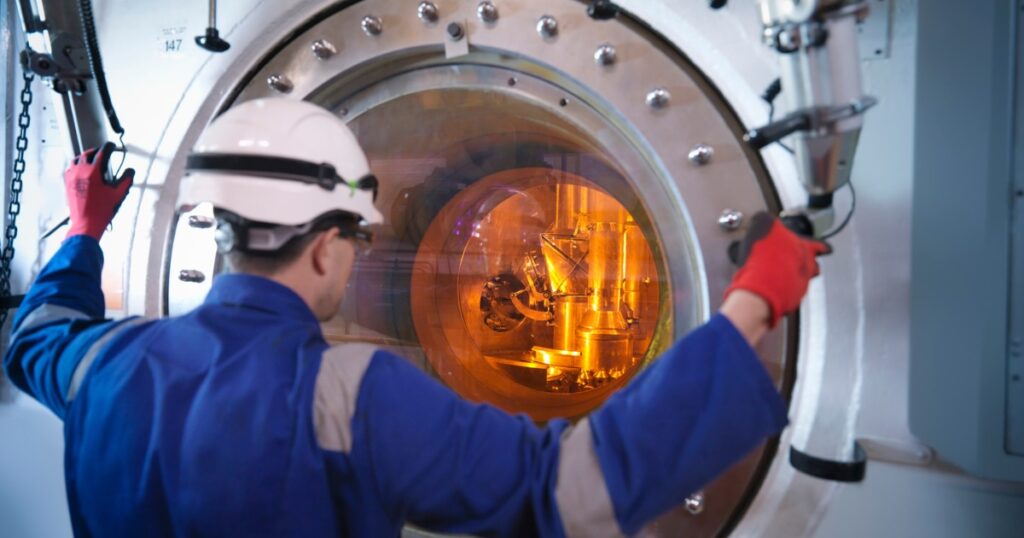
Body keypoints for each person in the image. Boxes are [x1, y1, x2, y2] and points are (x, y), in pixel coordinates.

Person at [3, 98, 829, 537]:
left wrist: (83, 231)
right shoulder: (344, 395)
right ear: (325, 248)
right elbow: (570, 490)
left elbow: (30, 337)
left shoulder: (103, 364)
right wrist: (752, 302)